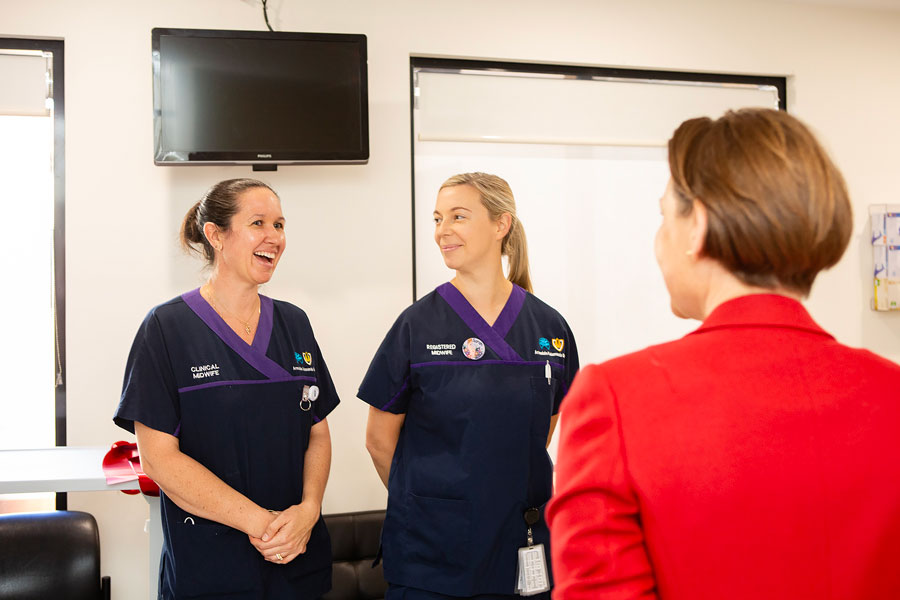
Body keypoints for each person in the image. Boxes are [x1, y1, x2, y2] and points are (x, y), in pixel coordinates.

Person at [546, 109, 900, 599]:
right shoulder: (892, 394)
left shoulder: (613, 399)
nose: (658, 242)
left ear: (699, 227)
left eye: (664, 216)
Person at [113, 178, 339, 599]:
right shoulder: (166, 328)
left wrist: (308, 511)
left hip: (296, 558)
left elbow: (318, 433)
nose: (274, 237)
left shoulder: (295, 323)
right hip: (212, 565)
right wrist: (263, 525)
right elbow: (159, 460)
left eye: (280, 224)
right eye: (258, 223)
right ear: (216, 235)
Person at [359, 172, 579, 600]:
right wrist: (433, 506)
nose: (443, 230)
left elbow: (542, 431)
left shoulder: (549, 328)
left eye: (458, 216)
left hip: (522, 544)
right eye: (438, 218)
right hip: (434, 556)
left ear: (501, 225)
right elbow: (378, 441)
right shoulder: (416, 326)